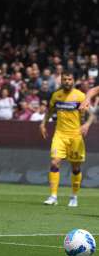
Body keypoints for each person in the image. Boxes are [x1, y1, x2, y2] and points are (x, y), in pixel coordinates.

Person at [40, 70, 94, 207]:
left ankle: (74, 196)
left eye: (69, 79)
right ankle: (53, 196)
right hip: (60, 135)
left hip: (75, 136)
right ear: (61, 80)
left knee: (75, 167)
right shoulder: (56, 96)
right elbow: (50, 111)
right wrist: (43, 123)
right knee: (54, 162)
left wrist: (86, 125)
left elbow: (92, 114)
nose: (67, 82)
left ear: (73, 80)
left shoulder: (80, 96)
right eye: (65, 79)